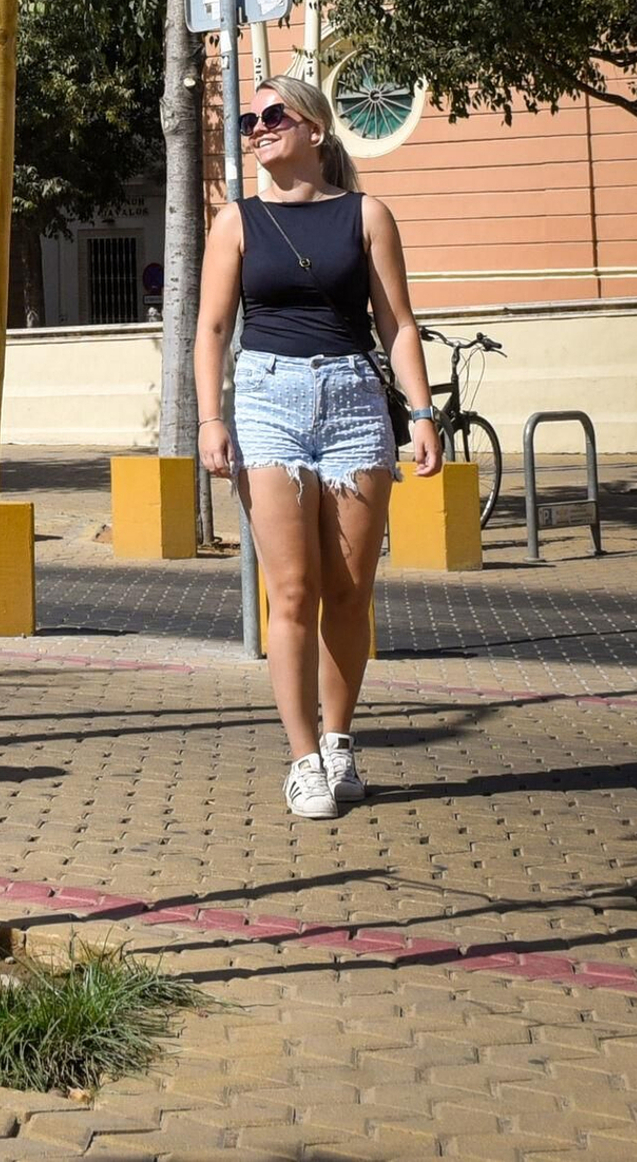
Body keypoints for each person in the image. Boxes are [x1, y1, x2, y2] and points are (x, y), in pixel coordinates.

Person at [194, 74, 442, 819]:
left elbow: (398, 324)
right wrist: (212, 418)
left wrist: (423, 412)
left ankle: (338, 741)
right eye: (249, 119)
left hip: (354, 403)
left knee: (349, 591)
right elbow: (210, 330)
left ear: (315, 130)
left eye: (273, 115)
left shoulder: (367, 214)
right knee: (294, 590)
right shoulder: (234, 222)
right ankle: (302, 757)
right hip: (268, 398)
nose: (258, 127)